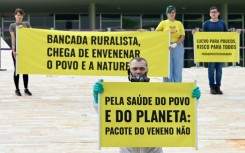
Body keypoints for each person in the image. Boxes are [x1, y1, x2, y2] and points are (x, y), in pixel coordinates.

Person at [93, 57, 201, 153]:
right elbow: (108, 114)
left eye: (141, 68)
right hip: (128, 148)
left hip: (153, 148)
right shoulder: (120, 94)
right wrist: (98, 100)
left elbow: (178, 112)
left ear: (147, 70)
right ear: (129, 70)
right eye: (135, 69)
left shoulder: (159, 93)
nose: (138, 72)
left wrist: (193, 100)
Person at [155, 5, 185, 82]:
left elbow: (182, 36)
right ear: (167, 14)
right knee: (167, 67)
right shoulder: (163, 23)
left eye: (173, 12)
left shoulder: (179, 23)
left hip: (177, 46)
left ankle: (177, 85)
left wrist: (176, 44)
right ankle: (167, 86)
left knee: (177, 67)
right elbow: (156, 33)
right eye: (169, 12)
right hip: (166, 47)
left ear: (175, 13)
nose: (171, 14)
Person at [9, 8, 32, 96]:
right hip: (17, 51)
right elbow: (13, 37)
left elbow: (32, 34)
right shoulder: (12, 25)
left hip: (25, 50)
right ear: (15, 16)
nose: (19, 16)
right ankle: (17, 89)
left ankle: (26, 89)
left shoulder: (26, 24)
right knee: (17, 70)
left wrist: (24, 30)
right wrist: (13, 49)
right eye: (17, 15)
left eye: (20, 15)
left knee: (25, 70)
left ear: (23, 16)